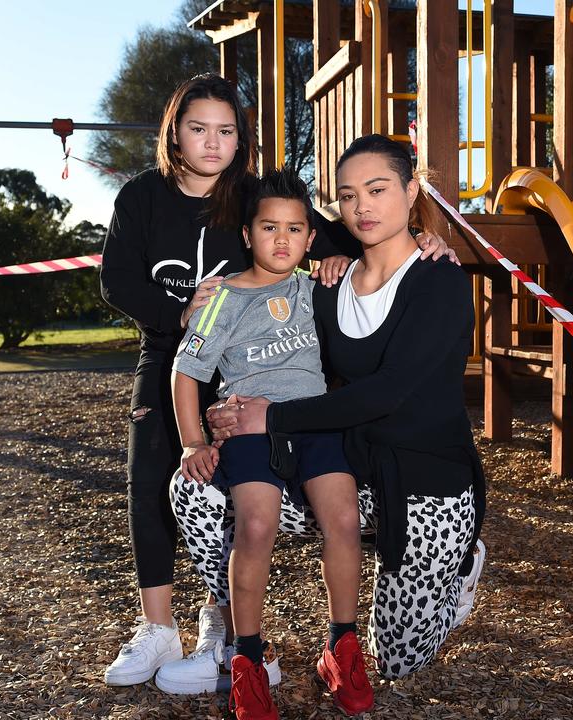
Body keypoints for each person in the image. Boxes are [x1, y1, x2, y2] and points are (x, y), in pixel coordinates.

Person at [98, 73, 454, 690]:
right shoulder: (142, 198)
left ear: (242, 139)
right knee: (157, 477)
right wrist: (178, 316)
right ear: (174, 134)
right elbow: (117, 282)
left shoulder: (254, 193)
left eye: (226, 131)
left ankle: (224, 627)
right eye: (198, 129)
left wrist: (419, 236)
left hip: (262, 366)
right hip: (178, 347)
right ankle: (163, 629)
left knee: (256, 503)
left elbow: (344, 229)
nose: (212, 143)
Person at [196, 134, 487, 681]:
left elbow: (388, 391)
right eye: (348, 196)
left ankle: (461, 565)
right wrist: (206, 307)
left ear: (412, 189)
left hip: (428, 481)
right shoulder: (328, 282)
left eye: (377, 190)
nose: (363, 207)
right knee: (200, 491)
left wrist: (272, 418)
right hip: (354, 470)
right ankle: (236, 634)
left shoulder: (441, 280)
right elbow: (264, 274)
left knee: (397, 660)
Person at [168, 170, 372, 719]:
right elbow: (186, 373)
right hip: (252, 430)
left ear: (310, 237)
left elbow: (379, 279)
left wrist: (342, 265)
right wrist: (192, 443)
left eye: (295, 229)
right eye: (269, 228)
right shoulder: (223, 298)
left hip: (314, 425)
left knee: (345, 520)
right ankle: (249, 660)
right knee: (256, 526)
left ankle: (341, 647)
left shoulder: (319, 288)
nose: (282, 240)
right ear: (247, 235)